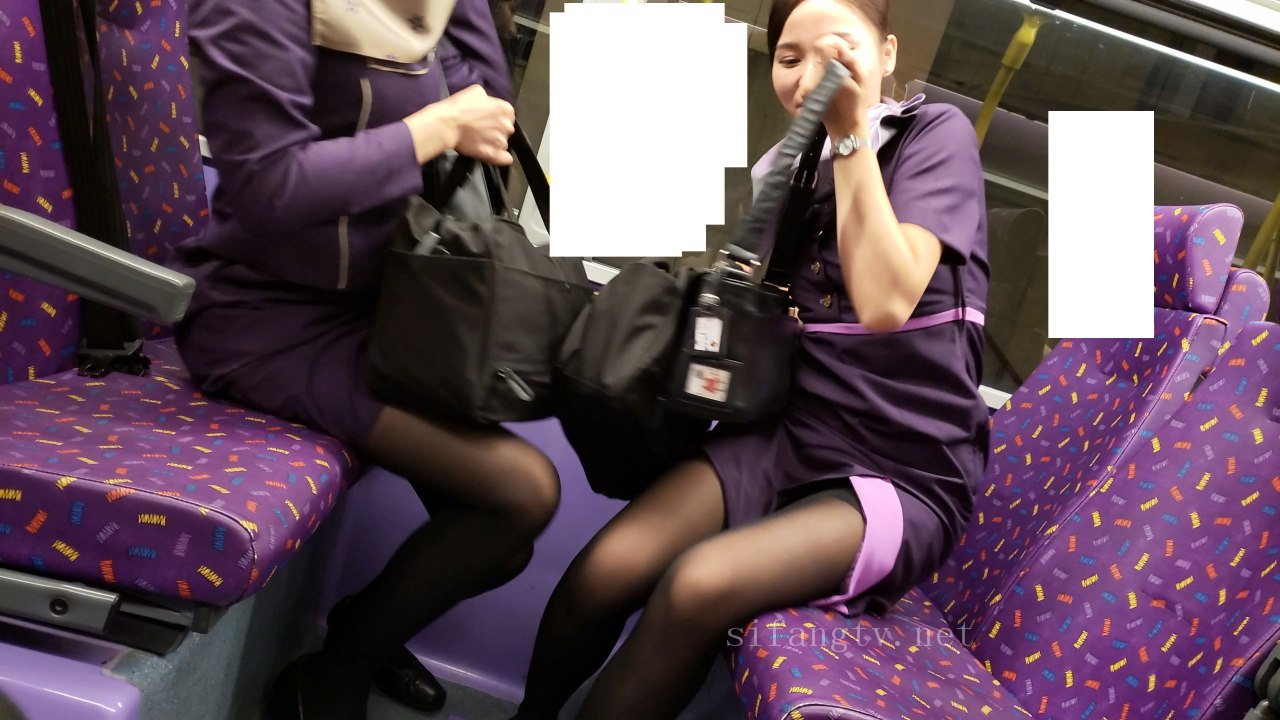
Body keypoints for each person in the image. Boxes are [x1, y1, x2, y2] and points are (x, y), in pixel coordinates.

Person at [510, 0, 989, 717]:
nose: (810, 74)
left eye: (837, 49)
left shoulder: (932, 135)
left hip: (901, 468)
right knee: (607, 569)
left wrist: (849, 133)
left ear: (886, 55)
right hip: (787, 433)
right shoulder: (789, 169)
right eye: (789, 58)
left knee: (696, 586)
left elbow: (886, 302)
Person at [177, 1, 560, 719]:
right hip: (267, 318)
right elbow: (267, 185)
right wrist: (434, 128)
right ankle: (332, 676)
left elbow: (490, 110)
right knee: (522, 494)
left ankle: (364, 631)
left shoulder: (413, 12)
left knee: (502, 540)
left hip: (377, 312)